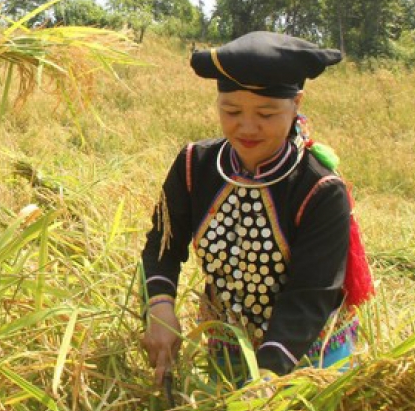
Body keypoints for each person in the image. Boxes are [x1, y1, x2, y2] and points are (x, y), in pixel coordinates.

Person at [139, 31, 373, 390]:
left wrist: (265, 378)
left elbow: (310, 293)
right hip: (227, 350)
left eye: (265, 113)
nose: (246, 127)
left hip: (309, 356)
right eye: (231, 111)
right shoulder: (193, 165)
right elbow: (162, 245)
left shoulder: (320, 189)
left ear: (296, 104)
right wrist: (159, 307)